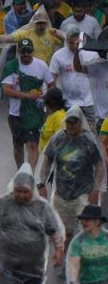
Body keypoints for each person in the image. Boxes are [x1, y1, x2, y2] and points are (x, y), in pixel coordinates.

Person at [0, 163, 65, 284]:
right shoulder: (2, 204)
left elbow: (55, 232)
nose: (21, 195)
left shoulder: (42, 207)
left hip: (33, 267)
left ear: (32, 190)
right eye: (17, 191)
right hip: (6, 264)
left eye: (25, 192)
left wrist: (59, 251)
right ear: (12, 189)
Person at [38, 105, 103, 248]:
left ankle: (82, 266)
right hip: (62, 194)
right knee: (62, 233)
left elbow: (99, 164)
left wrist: (96, 189)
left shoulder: (88, 140)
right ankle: (66, 265)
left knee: (85, 232)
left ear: (81, 122)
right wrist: (41, 184)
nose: (71, 125)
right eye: (69, 122)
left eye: (75, 122)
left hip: (83, 193)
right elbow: (47, 161)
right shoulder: (58, 139)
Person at [1, 38, 55, 168]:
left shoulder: (41, 65)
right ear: (18, 51)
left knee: (32, 144)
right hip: (16, 114)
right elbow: (6, 90)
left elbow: (51, 85)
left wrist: (47, 102)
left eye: (29, 51)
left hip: (34, 113)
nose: (26, 54)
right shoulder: (11, 66)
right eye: (23, 51)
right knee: (18, 146)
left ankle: (30, 174)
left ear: (33, 51)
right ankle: (20, 171)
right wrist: (27, 96)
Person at [67, 205, 108, 284]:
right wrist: (74, 282)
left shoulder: (106, 238)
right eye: (82, 219)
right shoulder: (78, 241)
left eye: (87, 219)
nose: (84, 222)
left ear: (97, 221)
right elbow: (75, 263)